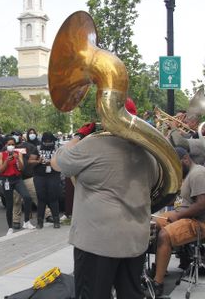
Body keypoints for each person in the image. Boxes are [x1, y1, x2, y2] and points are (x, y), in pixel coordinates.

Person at [51, 121, 159, 299]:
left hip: (98, 242)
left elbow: (58, 162)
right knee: (131, 294)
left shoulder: (93, 144)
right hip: (134, 240)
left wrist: (78, 136)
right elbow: (155, 185)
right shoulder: (147, 152)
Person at [150, 147, 205, 298]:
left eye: (177, 165)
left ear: (186, 159)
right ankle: (160, 268)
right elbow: (183, 202)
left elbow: (202, 204)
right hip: (187, 217)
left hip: (199, 222)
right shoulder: (188, 175)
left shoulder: (198, 174)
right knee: (152, 223)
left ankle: (157, 283)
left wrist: (178, 215)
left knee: (164, 235)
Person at [0, 136, 35, 236]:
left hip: (17, 179)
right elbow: (0, 170)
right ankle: (10, 227)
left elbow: (22, 168)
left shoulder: (18, 153)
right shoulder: (1, 154)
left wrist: (18, 159)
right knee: (10, 204)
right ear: (5, 145)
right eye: (9, 144)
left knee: (27, 197)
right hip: (7, 180)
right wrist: (7, 161)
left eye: (13, 144)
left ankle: (26, 221)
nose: (11, 146)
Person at [31, 132, 62, 229]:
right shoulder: (38, 148)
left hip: (53, 175)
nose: (48, 143)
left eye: (50, 141)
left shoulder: (57, 148)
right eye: (46, 141)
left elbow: (63, 160)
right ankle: (40, 222)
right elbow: (30, 161)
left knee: (53, 198)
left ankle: (56, 221)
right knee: (41, 198)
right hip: (40, 176)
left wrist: (53, 162)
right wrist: (38, 161)